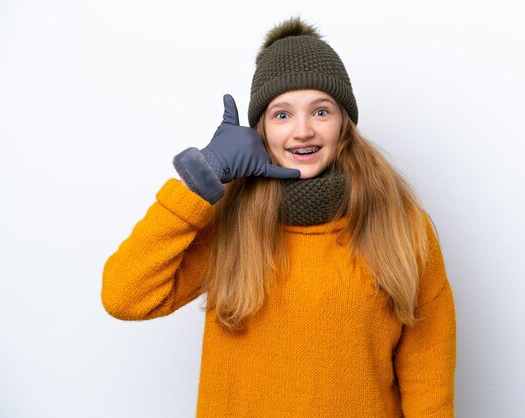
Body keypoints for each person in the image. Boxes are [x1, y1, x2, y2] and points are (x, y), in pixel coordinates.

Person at [102, 17, 456, 418]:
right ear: (261, 130)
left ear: (344, 125)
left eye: (321, 111)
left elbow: (429, 377)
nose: (302, 131)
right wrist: (202, 175)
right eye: (282, 115)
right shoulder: (230, 223)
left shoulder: (401, 225)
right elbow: (124, 296)